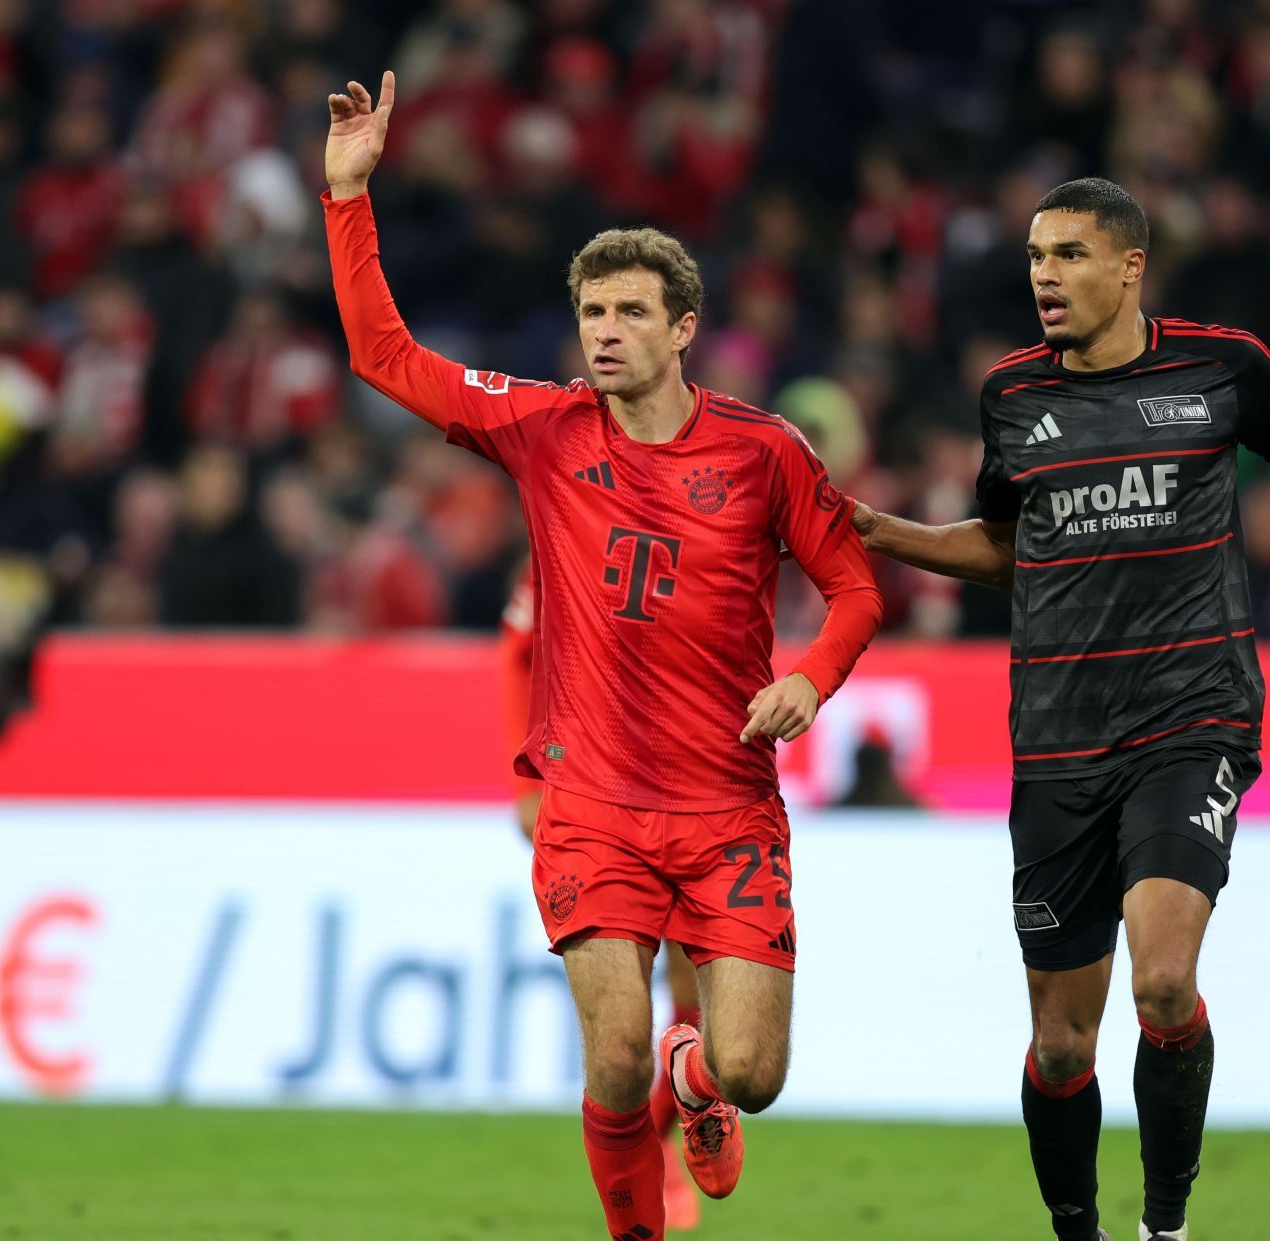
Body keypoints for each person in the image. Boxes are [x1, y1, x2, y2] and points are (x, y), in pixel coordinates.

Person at [851, 176, 1270, 1241]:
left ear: (1130, 265)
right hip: (1056, 740)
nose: (1045, 274)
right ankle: (1080, 1230)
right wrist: (877, 527)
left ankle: (1166, 1226)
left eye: (1071, 255)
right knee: (1060, 1044)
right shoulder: (1011, 396)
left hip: (1193, 718)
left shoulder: (1225, 367)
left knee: (1164, 977)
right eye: (1038, 255)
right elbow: (1012, 550)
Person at [326, 73, 885, 1239]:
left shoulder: (764, 452)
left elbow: (854, 585)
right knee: (614, 1055)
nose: (606, 335)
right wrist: (348, 196)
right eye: (591, 315)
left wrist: (808, 678)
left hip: (729, 802)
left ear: (684, 327)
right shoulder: (543, 428)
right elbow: (386, 356)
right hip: (593, 803)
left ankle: (703, 1082)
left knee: (751, 1070)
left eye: (630, 314)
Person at [499, 559, 704, 1231]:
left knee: (698, 1005)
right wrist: (526, 781)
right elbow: (519, 650)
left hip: (698, 782)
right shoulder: (572, 525)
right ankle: (657, 1151)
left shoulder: (714, 502)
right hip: (597, 790)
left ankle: (674, 1118)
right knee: (622, 1010)